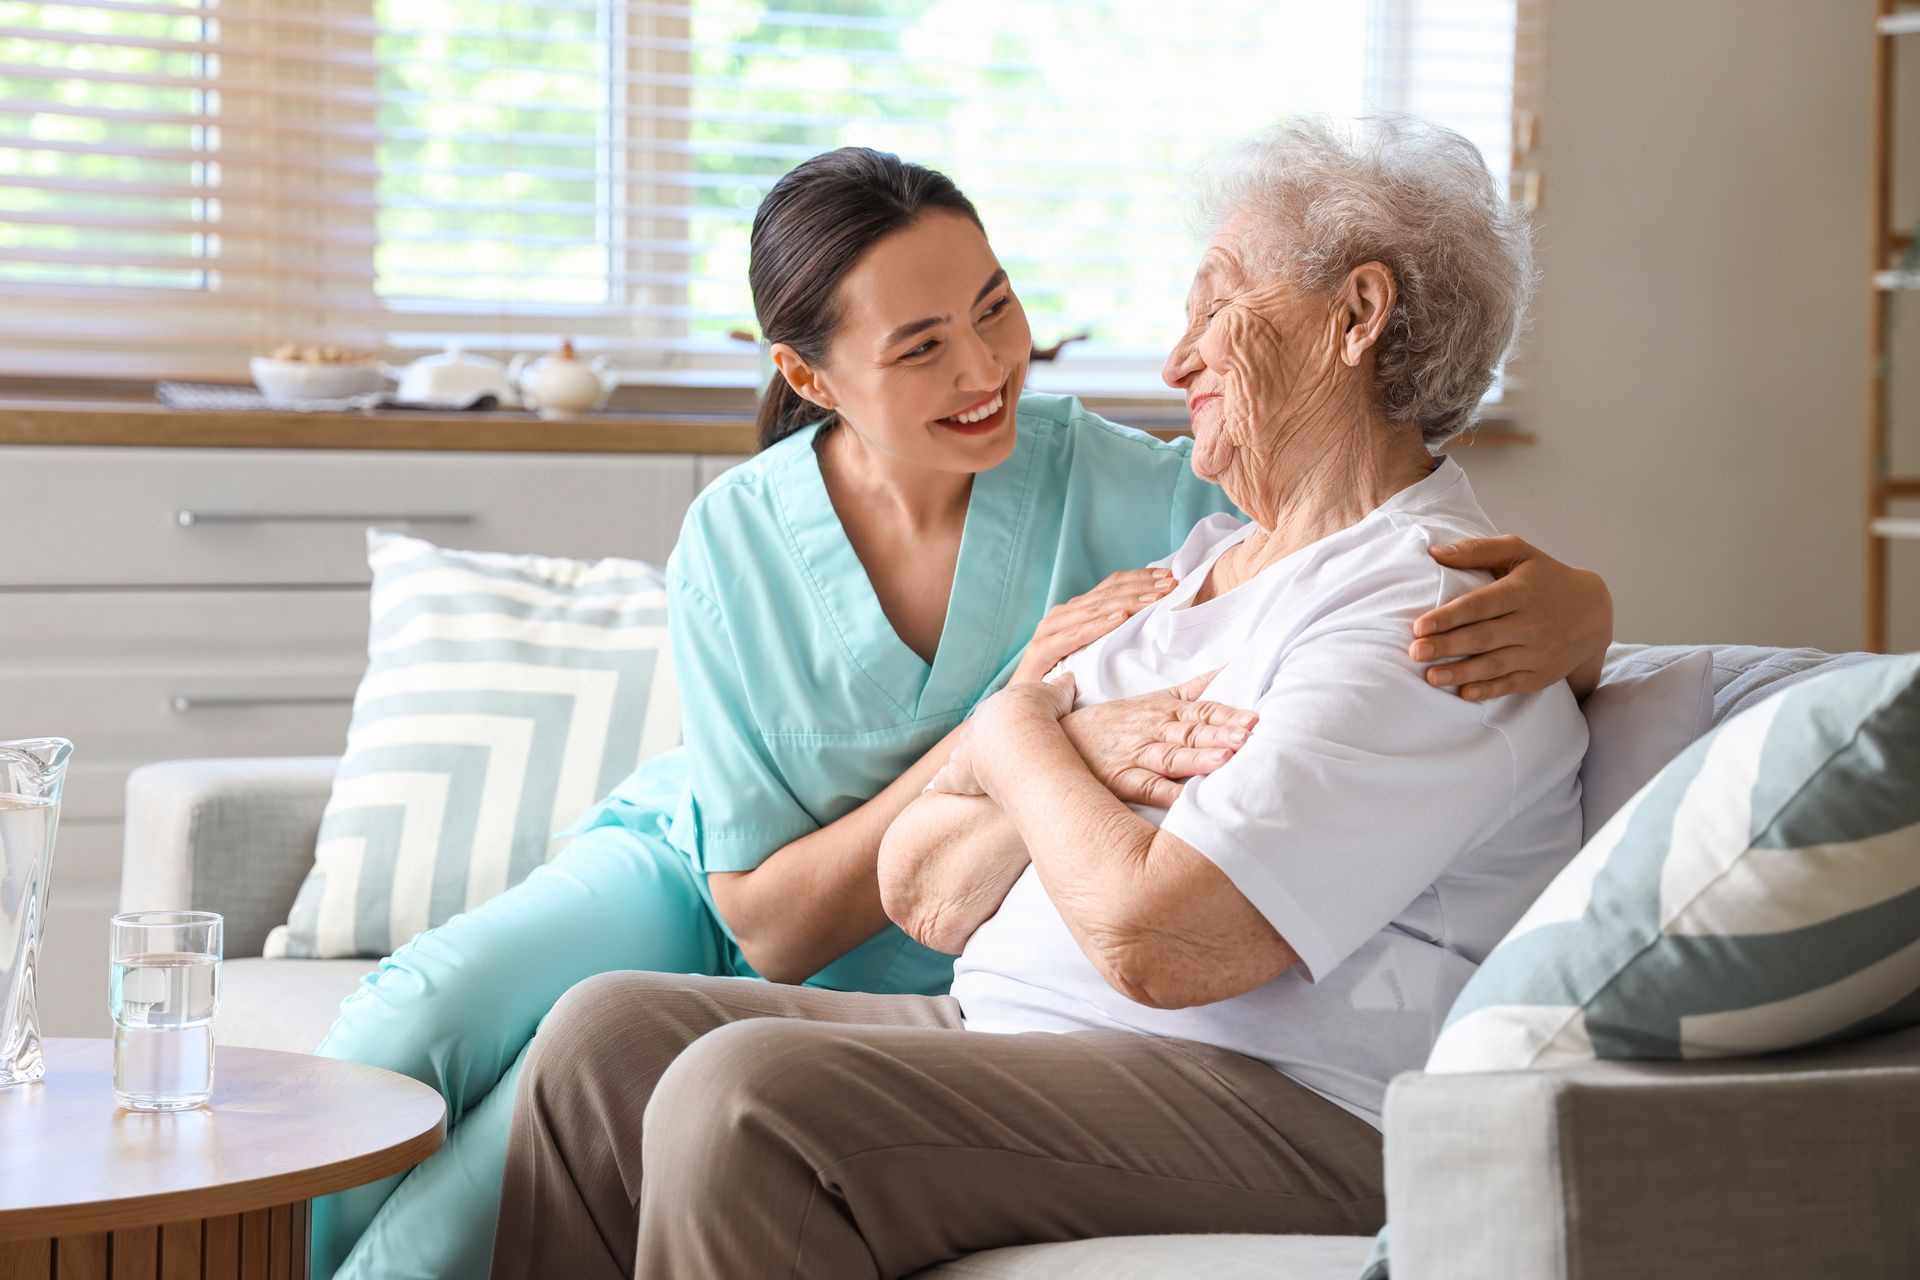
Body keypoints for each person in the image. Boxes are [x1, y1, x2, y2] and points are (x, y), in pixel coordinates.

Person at [316, 143, 1610, 1278]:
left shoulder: (1417, 611)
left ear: (1357, 315)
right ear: (812, 378)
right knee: (605, 1031)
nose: (1171, 358)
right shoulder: (1206, 564)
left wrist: (1013, 739)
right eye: (920, 343)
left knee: (743, 1096)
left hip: (1281, 1094)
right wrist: (1051, 753)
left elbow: (1155, 941)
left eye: (1216, 308)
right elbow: (922, 886)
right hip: (903, 953)